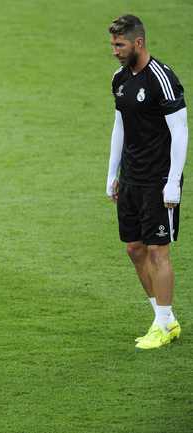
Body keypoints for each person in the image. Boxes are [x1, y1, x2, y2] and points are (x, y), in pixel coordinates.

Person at [106, 15, 188, 349]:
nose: (115, 51)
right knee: (134, 248)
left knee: (158, 251)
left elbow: (180, 130)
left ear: (138, 42)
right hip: (131, 178)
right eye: (113, 44)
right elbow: (120, 126)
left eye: (120, 45)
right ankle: (164, 319)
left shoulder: (162, 78)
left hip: (158, 179)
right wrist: (112, 173)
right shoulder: (119, 79)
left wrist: (173, 182)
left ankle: (163, 324)